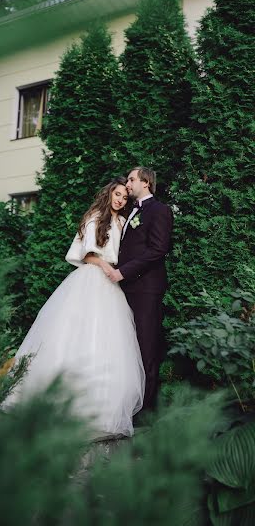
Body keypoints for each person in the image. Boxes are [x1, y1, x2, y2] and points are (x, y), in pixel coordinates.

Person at [2, 177, 145, 439]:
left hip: (112, 284)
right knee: (76, 333)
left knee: (107, 341)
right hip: (92, 277)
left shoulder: (123, 222)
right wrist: (104, 266)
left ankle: (99, 409)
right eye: (117, 194)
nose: (120, 199)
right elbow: (86, 254)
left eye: (125, 197)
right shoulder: (94, 217)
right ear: (108, 194)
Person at [105, 167, 173, 411]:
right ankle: (128, 405)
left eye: (132, 179)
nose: (128, 183)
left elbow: (157, 250)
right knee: (126, 346)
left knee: (146, 347)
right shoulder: (129, 211)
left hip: (146, 289)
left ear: (146, 183)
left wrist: (123, 272)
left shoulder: (159, 210)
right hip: (125, 289)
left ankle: (145, 411)